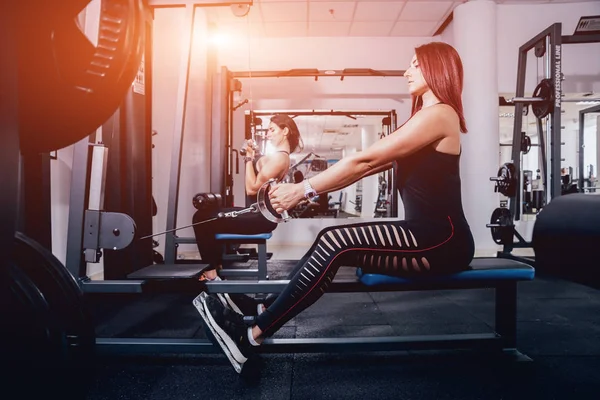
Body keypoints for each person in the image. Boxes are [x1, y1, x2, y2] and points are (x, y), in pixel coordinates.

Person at [195, 41, 475, 373]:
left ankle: (252, 335)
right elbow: (366, 168)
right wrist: (307, 193)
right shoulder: (422, 119)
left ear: (437, 67)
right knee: (329, 240)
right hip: (421, 236)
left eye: (415, 64)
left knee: (334, 240)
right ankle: (260, 317)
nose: (406, 71)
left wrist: (302, 189)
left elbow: (364, 158)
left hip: (441, 241)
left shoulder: (441, 114)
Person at [192, 114, 304, 314]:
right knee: (209, 214)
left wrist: (247, 160)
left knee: (201, 218)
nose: (268, 134)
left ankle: (211, 274)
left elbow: (251, 188)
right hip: (260, 214)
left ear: (285, 131)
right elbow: (260, 170)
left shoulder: (280, 158)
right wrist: (252, 156)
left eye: (272, 130)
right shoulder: (280, 156)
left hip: (260, 218)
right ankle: (215, 270)